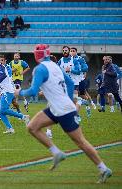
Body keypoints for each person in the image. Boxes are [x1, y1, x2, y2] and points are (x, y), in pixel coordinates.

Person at [15, 44, 112, 184]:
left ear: (37, 55)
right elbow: (70, 83)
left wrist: (19, 92)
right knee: (32, 127)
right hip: (56, 108)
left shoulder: (40, 69)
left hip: (63, 110)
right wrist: (67, 98)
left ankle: (104, 168)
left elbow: (33, 91)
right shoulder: (55, 65)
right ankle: (57, 153)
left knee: (81, 142)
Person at [0, 55, 29, 134]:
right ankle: (10, 128)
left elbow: (3, 76)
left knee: (3, 110)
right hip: (4, 91)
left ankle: (23, 117)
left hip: (8, 91)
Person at [69, 47, 94, 118]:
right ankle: (76, 115)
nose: (72, 52)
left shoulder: (80, 59)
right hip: (72, 81)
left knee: (82, 95)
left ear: (76, 52)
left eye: (73, 51)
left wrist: (78, 69)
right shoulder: (68, 60)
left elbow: (86, 68)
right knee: (74, 97)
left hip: (80, 80)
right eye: (71, 51)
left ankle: (87, 106)